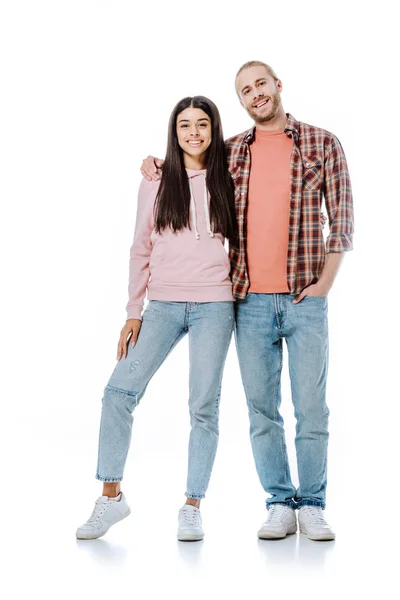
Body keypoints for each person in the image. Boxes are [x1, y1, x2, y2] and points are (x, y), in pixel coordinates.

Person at [141, 61, 354, 541]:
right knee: (262, 410)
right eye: (244, 90)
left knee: (312, 408)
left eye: (260, 84)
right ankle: (279, 502)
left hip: (305, 298)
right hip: (248, 302)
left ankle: (314, 503)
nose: (254, 94)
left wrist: (324, 285)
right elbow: (188, 163)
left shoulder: (323, 143)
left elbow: (342, 223)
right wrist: (153, 164)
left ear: (278, 86)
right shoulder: (232, 151)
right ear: (240, 101)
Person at [76, 96, 237, 542]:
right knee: (118, 392)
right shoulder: (156, 179)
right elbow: (140, 247)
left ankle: (192, 505)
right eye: (185, 125)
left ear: (213, 129)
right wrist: (133, 312)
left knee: (203, 407)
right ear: (175, 130)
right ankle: (111, 497)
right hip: (162, 305)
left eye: (202, 124)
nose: (193, 133)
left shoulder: (230, 175)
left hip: (215, 306)